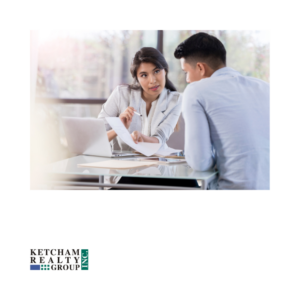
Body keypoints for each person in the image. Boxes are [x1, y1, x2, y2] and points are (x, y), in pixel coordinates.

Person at [174, 32, 269, 190]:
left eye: (186, 72)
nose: (187, 80)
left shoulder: (195, 91)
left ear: (200, 68)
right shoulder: (265, 87)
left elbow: (200, 163)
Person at [98, 47, 199, 188]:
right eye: (144, 75)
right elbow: (96, 138)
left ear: (165, 70)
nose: (152, 80)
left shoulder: (175, 100)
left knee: (191, 186)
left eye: (157, 71)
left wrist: (142, 138)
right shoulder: (121, 94)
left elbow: (160, 138)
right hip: (125, 172)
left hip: (160, 169)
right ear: (137, 78)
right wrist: (119, 128)